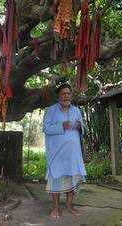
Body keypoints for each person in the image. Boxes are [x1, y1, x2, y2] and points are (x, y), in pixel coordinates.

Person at [43, 80, 87, 218]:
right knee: (56, 179)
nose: (66, 96)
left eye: (68, 94)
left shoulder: (76, 111)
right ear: (58, 96)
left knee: (72, 178)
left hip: (73, 153)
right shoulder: (51, 111)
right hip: (57, 153)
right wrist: (62, 126)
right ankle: (56, 207)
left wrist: (80, 127)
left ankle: (68, 206)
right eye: (63, 94)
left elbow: (83, 129)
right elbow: (46, 128)